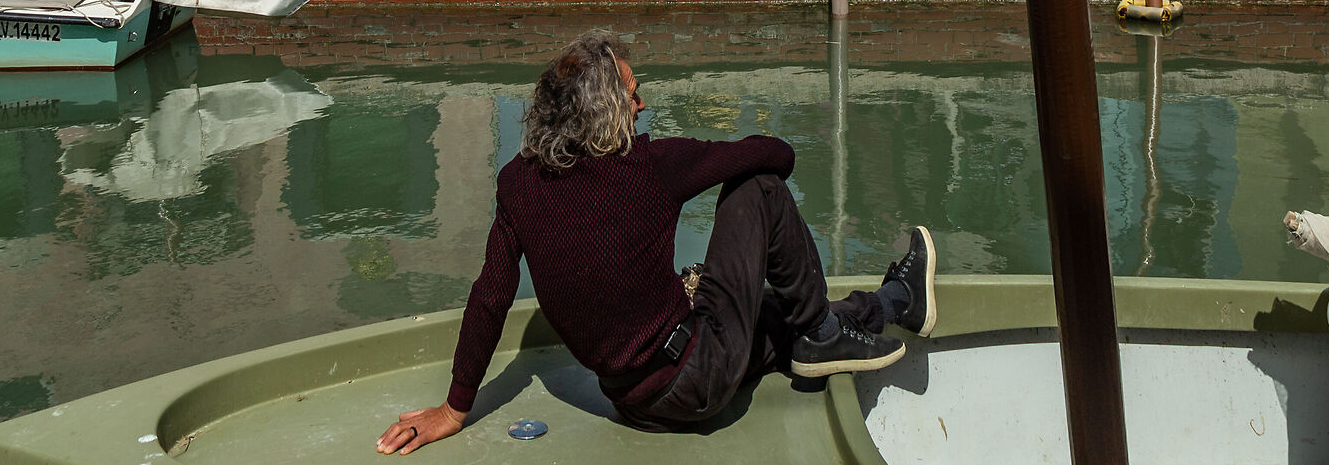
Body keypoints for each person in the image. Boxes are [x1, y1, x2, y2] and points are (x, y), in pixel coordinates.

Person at [376, 32, 935, 453]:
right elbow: (777, 154)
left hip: (633, 403)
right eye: (634, 95)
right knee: (758, 189)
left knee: (772, 317)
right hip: (698, 374)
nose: (641, 107)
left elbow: (491, 296)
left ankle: (894, 303)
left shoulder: (517, 183)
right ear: (608, 107)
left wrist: (455, 409)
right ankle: (822, 335)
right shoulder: (647, 166)